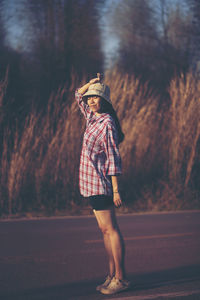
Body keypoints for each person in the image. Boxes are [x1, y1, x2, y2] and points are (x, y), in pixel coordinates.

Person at [75, 75, 130, 295]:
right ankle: (111, 276)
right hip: (90, 183)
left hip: (101, 183)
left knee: (111, 230)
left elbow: (113, 157)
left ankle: (121, 278)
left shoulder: (106, 123)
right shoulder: (91, 117)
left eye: (96, 97)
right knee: (104, 231)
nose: (90, 100)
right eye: (90, 98)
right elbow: (77, 95)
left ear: (104, 100)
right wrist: (89, 83)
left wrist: (116, 189)